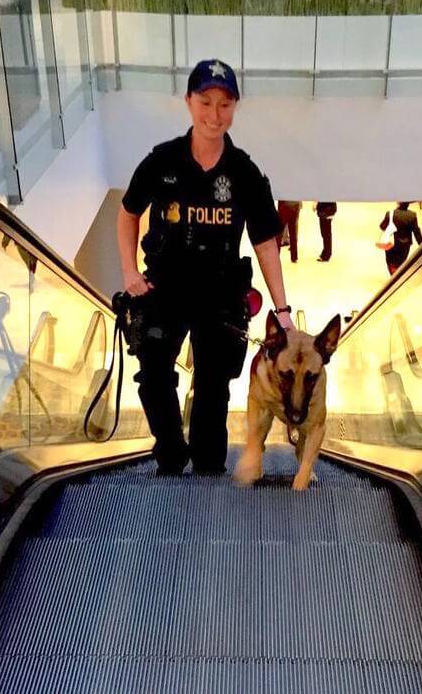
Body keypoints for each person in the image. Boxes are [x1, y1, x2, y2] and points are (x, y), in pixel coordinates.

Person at [117, 58, 293, 476]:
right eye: (206, 102)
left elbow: (266, 241)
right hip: (164, 288)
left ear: (235, 107)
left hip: (220, 295)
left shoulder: (245, 173)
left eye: (225, 104)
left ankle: (209, 463)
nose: (215, 115)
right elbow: (128, 213)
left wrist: (283, 309)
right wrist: (129, 271)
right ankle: (172, 454)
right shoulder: (161, 162)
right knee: (155, 376)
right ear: (189, 102)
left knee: (214, 388)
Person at [379, 201, 422, 275]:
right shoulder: (412, 215)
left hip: (391, 244)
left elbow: (382, 226)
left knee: (391, 263)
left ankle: (393, 277)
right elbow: (416, 232)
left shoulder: (390, 214)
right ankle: (398, 278)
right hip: (405, 246)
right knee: (401, 264)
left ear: (398, 203)